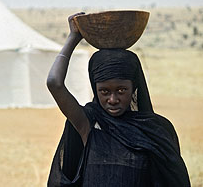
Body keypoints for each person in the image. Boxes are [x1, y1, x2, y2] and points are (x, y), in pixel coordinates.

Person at [46, 13, 190, 186]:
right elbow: (54, 83)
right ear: (94, 88)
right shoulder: (89, 124)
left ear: (134, 88)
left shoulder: (156, 130)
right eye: (104, 91)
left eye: (121, 90)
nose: (113, 99)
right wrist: (73, 37)